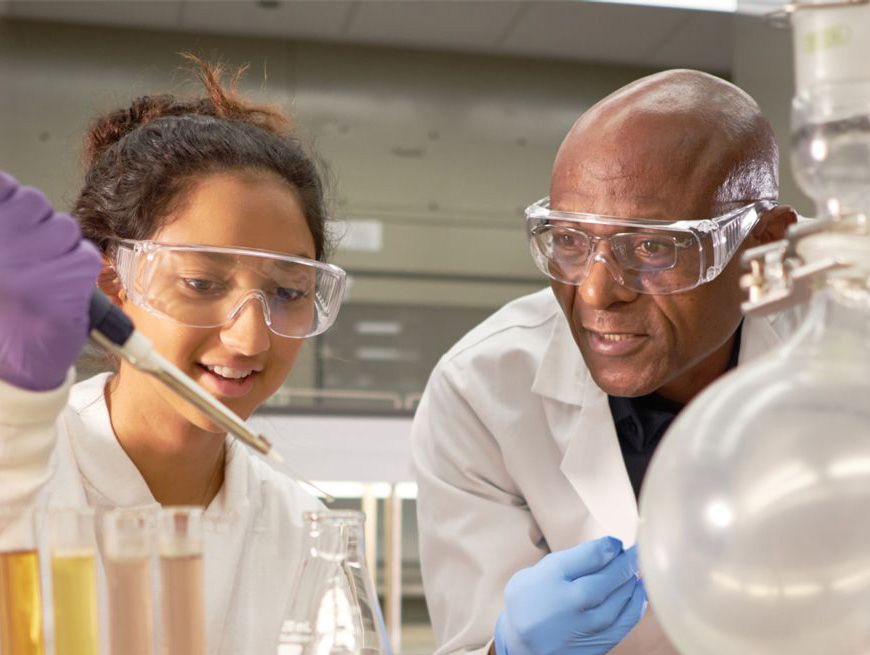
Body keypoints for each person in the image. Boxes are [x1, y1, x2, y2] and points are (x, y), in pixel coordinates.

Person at [412, 69, 802, 655]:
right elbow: (471, 639)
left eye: (652, 246)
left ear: (764, 248)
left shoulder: (851, 345)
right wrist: (512, 650)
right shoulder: (483, 389)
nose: (596, 293)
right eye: (569, 240)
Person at [0, 58, 345, 654]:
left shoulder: (296, 525)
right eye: (202, 284)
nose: (249, 340)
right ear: (113, 286)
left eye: (288, 293)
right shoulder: (24, 461)